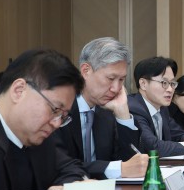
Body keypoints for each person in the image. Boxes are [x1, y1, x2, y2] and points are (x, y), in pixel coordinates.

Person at [0, 49, 86, 190]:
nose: (57, 123)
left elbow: (71, 168)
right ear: (19, 90)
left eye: (63, 116)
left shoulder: (39, 134)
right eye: (55, 110)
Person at [54, 38, 148, 179]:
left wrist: (123, 115)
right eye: (110, 78)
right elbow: (60, 166)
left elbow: (132, 166)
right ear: (86, 71)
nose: (116, 88)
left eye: (121, 80)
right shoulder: (58, 109)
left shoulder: (107, 111)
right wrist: (116, 168)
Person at [128, 57, 184, 158]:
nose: (170, 89)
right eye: (164, 83)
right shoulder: (133, 109)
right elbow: (152, 147)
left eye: (172, 83)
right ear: (143, 84)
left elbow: (178, 133)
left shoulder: (162, 108)